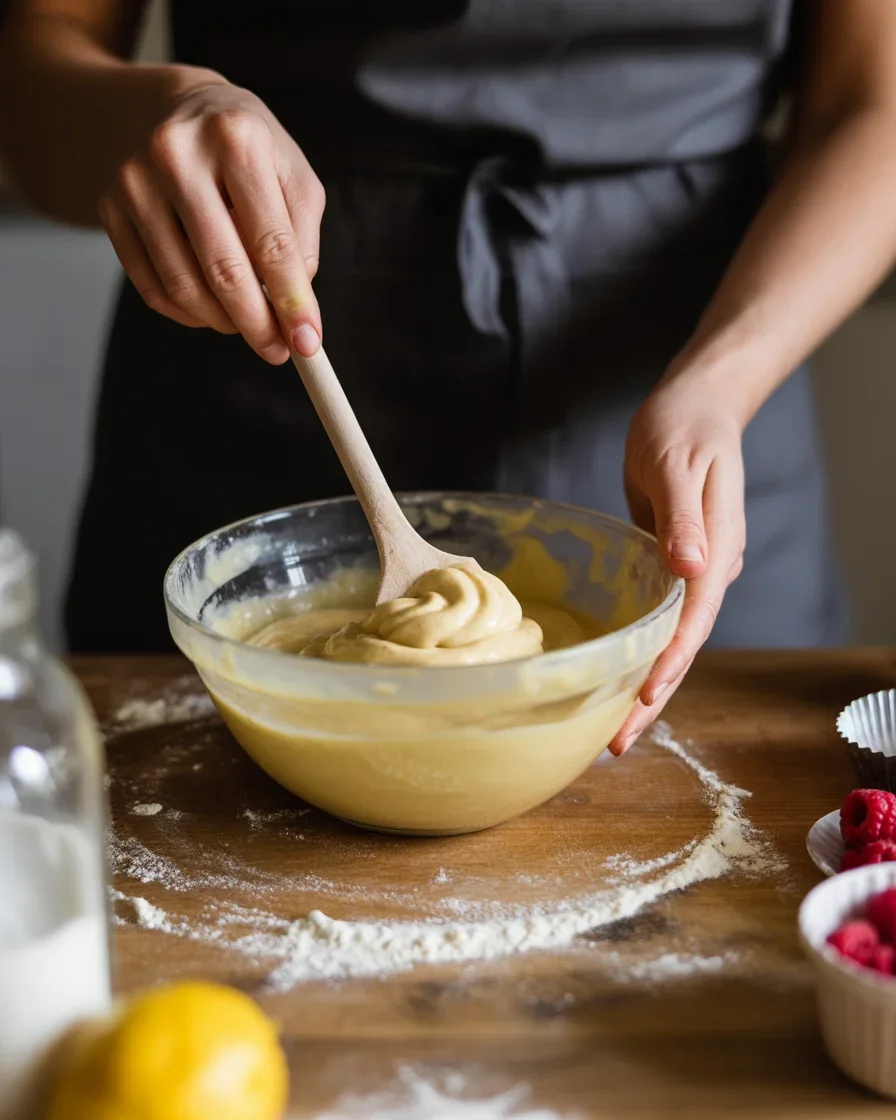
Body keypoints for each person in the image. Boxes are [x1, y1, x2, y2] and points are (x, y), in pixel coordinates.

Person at [0, 1, 891, 756]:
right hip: (252, 379)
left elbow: (875, 102)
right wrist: (148, 117)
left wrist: (719, 385)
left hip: (702, 393)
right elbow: (32, 80)